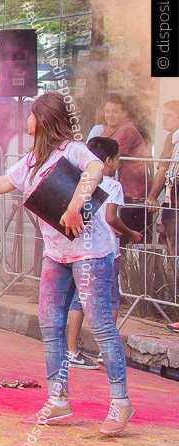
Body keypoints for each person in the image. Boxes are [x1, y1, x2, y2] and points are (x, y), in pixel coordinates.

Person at [0, 91, 135, 435]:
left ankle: (121, 402)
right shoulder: (30, 160)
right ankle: (58, 399)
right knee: (49, 324)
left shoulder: (70, 150)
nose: (25, 120)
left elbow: (95, 167)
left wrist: (74, 206)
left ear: (42, 120)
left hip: (90, 251)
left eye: (30, 114)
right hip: (57, 253)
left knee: (100, 324)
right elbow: (2, 183)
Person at [64, 138, 142, 368]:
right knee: (110, 299)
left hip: (82, 249)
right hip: (106, 250)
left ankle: (71, 350)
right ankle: (104, 352)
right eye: (117, 159)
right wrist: (129, 233)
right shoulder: (113, 185)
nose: (118, 163)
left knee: (80, 299)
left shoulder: (80, 181)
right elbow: (111, 218)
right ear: (108, 161)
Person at [101, 94, 150, 239]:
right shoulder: (108, 129)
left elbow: (105, 157)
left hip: (133, 196)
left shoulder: (126, 130)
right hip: (119, 193)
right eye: (107, 111)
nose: (110, 115)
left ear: (124, 113)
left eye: (115, 111)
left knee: (128, 241)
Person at [145, 100, 179, 248]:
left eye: (169, 115)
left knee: (170, 242)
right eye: (163, 115)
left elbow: (163, 168)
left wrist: (152, 197)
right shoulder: (171, 137)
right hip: (173, 196)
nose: (164, 119)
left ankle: (171, 270)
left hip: (175, 197)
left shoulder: (174, 138)